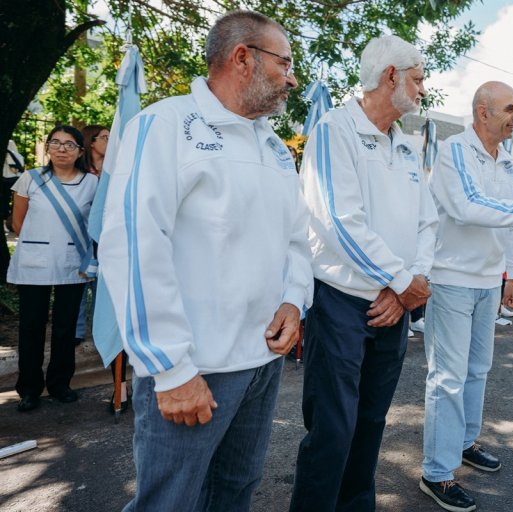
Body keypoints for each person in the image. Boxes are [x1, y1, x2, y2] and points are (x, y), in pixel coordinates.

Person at [98, 11, 313, 511]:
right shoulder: (164, 124)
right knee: (169, 501)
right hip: (194, 368)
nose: (292, 76)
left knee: (235, 492)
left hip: (261, 363)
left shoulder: (276, 148)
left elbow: (296, 239)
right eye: (284, 62)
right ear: (243, 58)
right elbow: (132, 244)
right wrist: (168, 367)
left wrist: (292, 300)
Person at [290, 35, 437, 512]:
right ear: (390, 76)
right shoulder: (336, 130)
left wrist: (407, 285)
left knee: (372, 422)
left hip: (396, 305)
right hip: (342, 303)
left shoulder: (408, 146)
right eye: (417, 79)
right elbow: (337, 220)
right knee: (333, 428)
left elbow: (427, 223)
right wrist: (401, 280)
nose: (421, 90)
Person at [420, 81, 513, 512]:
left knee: (477, 370)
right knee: (447, 377)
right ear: (483, 112)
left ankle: (463, 443)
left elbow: (502, 225)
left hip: (486, 281)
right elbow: (468, 206)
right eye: (510, 108)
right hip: (451, 280)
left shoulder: (505, 159)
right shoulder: (454, 151)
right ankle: (437, 473)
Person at [8, 125, 98, 412]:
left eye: (69, 144)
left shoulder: (92, 184)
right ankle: (29, 389)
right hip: (34, 263)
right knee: (31, 326)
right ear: (47, 148)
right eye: (56, 143)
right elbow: (18, 223)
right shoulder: (30, 179)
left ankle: (60, 384)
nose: (62, 149)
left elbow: (95, 225)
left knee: (65, 327)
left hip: (73, 263)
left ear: (80, 151)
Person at [74, 125, 109, 345]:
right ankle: (76, 333)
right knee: (79, 283)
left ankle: (100, 333)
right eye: (105, 137)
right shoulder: (80, 172)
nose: (110, 141)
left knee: (102, 287)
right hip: (80, 234)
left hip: (105, 236)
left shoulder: (115, 170)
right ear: (91, 142)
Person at [2, 139, 24, 283]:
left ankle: (6, 221)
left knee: (5, 203)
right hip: (14, 178)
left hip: (6, 179)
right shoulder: (14, 149)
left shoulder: (8, 147)